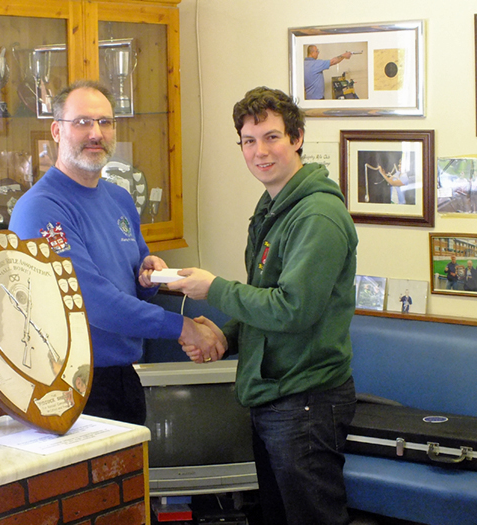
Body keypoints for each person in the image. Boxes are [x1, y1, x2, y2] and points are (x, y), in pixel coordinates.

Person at [168, 86, 358, 525]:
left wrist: (212, 288)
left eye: (272, 137)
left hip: (305, 402)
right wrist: (223, 336)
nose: (260, 152)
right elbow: (265, 302)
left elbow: (292, 309)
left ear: (297, 138)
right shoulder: (273, 206)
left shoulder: (316, 216)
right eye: (249, 141)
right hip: (274, 399)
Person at [9, 80, 225, 425]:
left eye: (105, 122)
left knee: (133, 478)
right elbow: (90, 301)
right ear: (56, 131)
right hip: (68, 389)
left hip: (123, 377)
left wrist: (149, 274)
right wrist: (183, 327)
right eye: (82, 122)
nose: (96, 133)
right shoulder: (40, 209)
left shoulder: (120, 198)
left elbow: (134, 279)